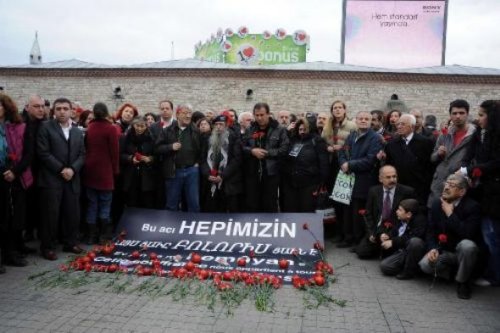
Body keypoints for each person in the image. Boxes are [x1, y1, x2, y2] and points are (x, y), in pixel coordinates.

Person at [37, 98, 85, 260]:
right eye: (59, 109)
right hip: (51, 180)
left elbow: (82, 154)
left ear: (72, 111)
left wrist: (72, 169)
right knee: (51, 215)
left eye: (65, 108)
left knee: (72, 213)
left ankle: (70, 242)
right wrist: (61, 169)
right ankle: (47, 247)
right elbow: (43, 153)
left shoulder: (78, 131)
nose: (62, 112)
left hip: (72, 179)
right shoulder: (45, 128)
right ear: (54, 111)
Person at [419, 174, 482, 299]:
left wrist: (450, 214)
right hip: (444, 251)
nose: (446, 187)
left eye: (452, 185)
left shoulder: (472, 207)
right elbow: (431, 231)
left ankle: (463, 282)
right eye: (446, 183)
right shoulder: (437, 203)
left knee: (467, 246)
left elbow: (467, 234)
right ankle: (452, 273)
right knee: (425, 265)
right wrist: (432, 249)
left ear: (462, 192)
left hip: (461, 253)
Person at [460, 100, 500, 286]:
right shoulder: (479, 134)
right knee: (485, 236)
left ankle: (495, 276)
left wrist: (475, 170)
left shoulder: (497, 136)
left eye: (482, 115)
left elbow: (496, 163)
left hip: (495, 194)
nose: (479, 118)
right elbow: (469, 155)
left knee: (492, 236)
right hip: (481, 191)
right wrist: (465, 169)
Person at [337, 111, 383, 248]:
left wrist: (349, 165)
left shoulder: (375, 138)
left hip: (363, 180)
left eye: (366, 119)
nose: (363, 121)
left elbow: (370, 160)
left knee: (358, 211)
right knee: (347, 209)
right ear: (356, 120)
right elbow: (342, 151)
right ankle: (347, 237)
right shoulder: (351, 135)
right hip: (347, 179)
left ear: (371, 122)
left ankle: (358, 241)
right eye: (360, 118)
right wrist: (343, 163)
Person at [0, 93, 34, 271]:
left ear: (6, 108)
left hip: (16, 177)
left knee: (16, 218)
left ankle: (11, 253)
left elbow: (28, 154)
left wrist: (14, 171)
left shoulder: (19, 127)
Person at [355, 165, 416, 258]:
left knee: (388, 253)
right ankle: (380, 248)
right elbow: (368, 214)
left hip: (395, 228)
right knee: (362, 252)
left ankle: (385, 250)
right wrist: (371, 233)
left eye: (394, 176)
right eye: (388, 177)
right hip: (378, 228)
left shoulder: (407, 192)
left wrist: (391, 235)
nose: (392, 180)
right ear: (380, 179)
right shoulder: (374, 191)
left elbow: (408, 217)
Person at [428, 99, 476, 209]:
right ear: (450, 115)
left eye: (461, 113)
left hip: (459, 187)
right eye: (454, 113)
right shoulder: (445, 134)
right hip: (439, 185)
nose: (458, 116)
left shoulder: (474, 136)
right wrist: (438, 153)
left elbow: (476, 162)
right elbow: (432, 158)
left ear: (467, 114)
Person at [83, 102, 119, 244]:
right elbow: (114, 152)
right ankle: (103, 236)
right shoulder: (110, 129)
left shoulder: (90, 128)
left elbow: (86, 148)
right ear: (105, 113)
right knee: (105, 204)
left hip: (90, 171)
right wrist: (115, 171)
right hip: (105, 172)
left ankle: (91, 235)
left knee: (92, 204)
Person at [242, 102, 289, 212]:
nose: (259, 118)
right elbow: (242, 146)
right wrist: (252, 151)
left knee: (269, 204)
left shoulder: (279, 129)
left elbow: (284, 149)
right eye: (257, 115)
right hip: (252, 172)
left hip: (271, 172)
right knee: (252, 204)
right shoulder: (250, 129)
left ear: (268, 114)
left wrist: (266, 153)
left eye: (262, 115)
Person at [321, 101, 357, 241]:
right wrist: (327, 148)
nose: (337, 110)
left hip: (344, 164)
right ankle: (337, 232)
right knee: (334, 200)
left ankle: (346, 234)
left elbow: (355, 143)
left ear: (344, 110)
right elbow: (322, 142)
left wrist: (342, 148)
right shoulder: (328, 125)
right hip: (331, 164)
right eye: (334, 108)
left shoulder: (352, 125)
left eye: (339, 108)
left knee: (344, 200)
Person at [156, 104, 201, 212]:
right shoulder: (167, 130)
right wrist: (170, 147)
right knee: (172, 204)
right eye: (185, 113)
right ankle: (171, 227)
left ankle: (192, 226)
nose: (188, 116)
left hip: (192, 171)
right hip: (174, 171)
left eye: (190, 113)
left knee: (194, 204)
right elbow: (157, 148)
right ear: (177, 115)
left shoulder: (195, 130)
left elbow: (202, 148)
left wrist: (197, 162)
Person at [381, 114, 434, 205]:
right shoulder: (392, 144)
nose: (399, 126)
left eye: (403, 124)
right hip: (397, 186)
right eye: (398, 124)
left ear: (412, 127)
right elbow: (388, 164)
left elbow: (429, 166)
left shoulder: (425, 142)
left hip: (418, 187)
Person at [282, 118, 329, 212]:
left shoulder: (317, 141)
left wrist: (322, 182)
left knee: (307, 211)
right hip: (292, 183)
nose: (302, 132)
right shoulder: (293, 140)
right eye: (300, 129)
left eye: (304, 129)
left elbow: (324, 163)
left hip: (310, 184)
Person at [200, 114, 243, 212]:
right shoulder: (207, 138)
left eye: (221, 124)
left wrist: (222, 175)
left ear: (226, 125)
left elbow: (237, 160)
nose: (218, 127)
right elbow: (202, 158)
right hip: (210, 179)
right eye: (216, 124)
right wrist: (207, 174)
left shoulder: (234, 138)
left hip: (228, 181)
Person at [379, 198, 427, 280]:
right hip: (402, 251)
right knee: (385, 266)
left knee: (415, 242)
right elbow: (396, 230)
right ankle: (405, 266)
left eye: (400, 210)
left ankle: (409, 271)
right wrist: (387, 236)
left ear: (408, 214)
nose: (397, 211)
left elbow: (410, 237)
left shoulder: (420, 222)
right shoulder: (402, 218)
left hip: (414, 251)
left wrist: (393, 242)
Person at [120, 117, 157, 208]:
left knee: (146, 202)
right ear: (133, 125)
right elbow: (120, 155)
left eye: (142, 126)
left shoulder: (151, 138)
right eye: (137, 126)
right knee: (132, 202)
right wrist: (130, 158)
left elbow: (157, 155)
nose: (139, 129)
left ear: (146, 126)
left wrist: (150, 159)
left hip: (146, 176)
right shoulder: (126, 138)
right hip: (130, 175)